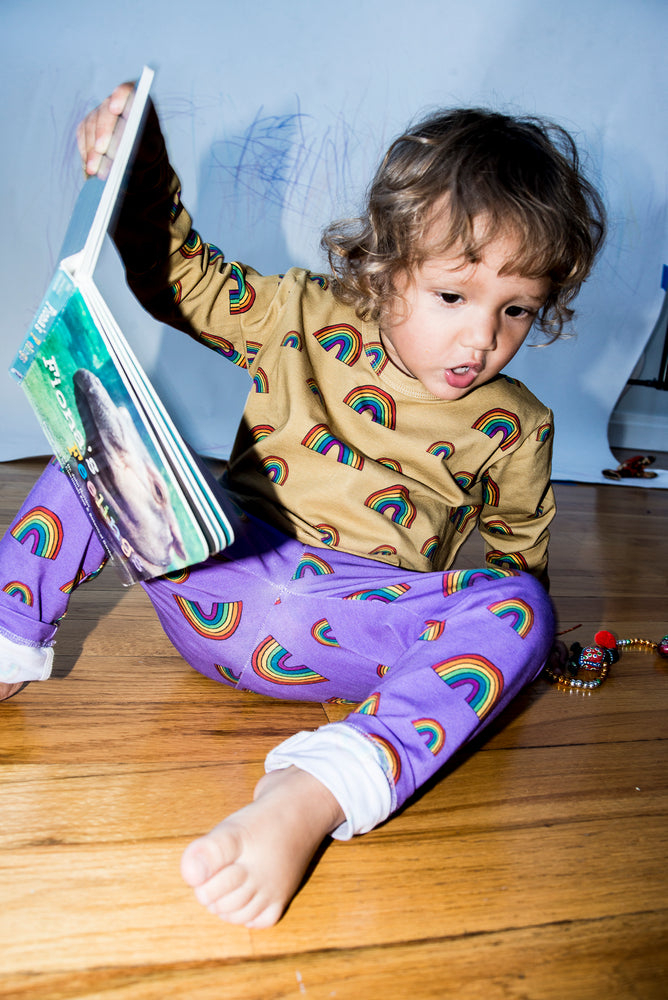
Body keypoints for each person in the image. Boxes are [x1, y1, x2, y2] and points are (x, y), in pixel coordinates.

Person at [0, 83, 606, 928]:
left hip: (355, 629)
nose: (481, 339)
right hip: (220, 574)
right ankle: (5, 646)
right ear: (386, 263)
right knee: (99, 448)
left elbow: (516, 555)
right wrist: (135, 168)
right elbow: (177, 274)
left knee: (520, 608)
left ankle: (317, 790)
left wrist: (515, 638)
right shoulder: (297, 313)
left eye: (516, 311)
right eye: (453, 297)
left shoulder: (518, 424)